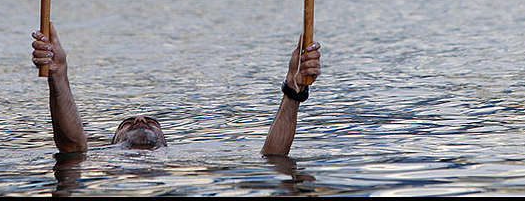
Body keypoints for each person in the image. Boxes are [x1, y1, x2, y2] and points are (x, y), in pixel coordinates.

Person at [30, 24, 321, 156]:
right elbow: (72, 146)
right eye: (128, 122)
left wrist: (292, 91)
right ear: (112, 141)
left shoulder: (185, 160)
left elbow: (273, 158)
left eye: (149, 121)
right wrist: (59, 76)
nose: (141, 120)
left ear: (167, 142)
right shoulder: (103, 159)